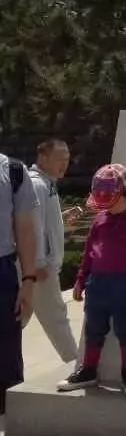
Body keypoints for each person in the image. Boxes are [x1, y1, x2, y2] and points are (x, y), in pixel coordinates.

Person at [58, 163, 126, 397]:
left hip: (124, 284)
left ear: (125, 192)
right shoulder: (99, 220)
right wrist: (81, 279)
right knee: (93, 329)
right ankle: (88, 370)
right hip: (97, 284)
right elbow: (89, 253)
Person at [28, 139, 83, 367]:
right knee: (56, 316)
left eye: (67, 159)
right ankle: (76, 364)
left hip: (39, 265)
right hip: (41, 268)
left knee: (18, 317)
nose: (64, 164)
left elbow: (43, 224)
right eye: (59, 159)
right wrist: (38, 262)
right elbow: (32, 227)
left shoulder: (46, 184)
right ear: (43, 158)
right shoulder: (37, 185)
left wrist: (61, 219)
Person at [0, 152, 40, 414]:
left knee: (5, 348)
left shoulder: (13, 171)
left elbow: (24, 228)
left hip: (2, 269)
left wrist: (28, 280)